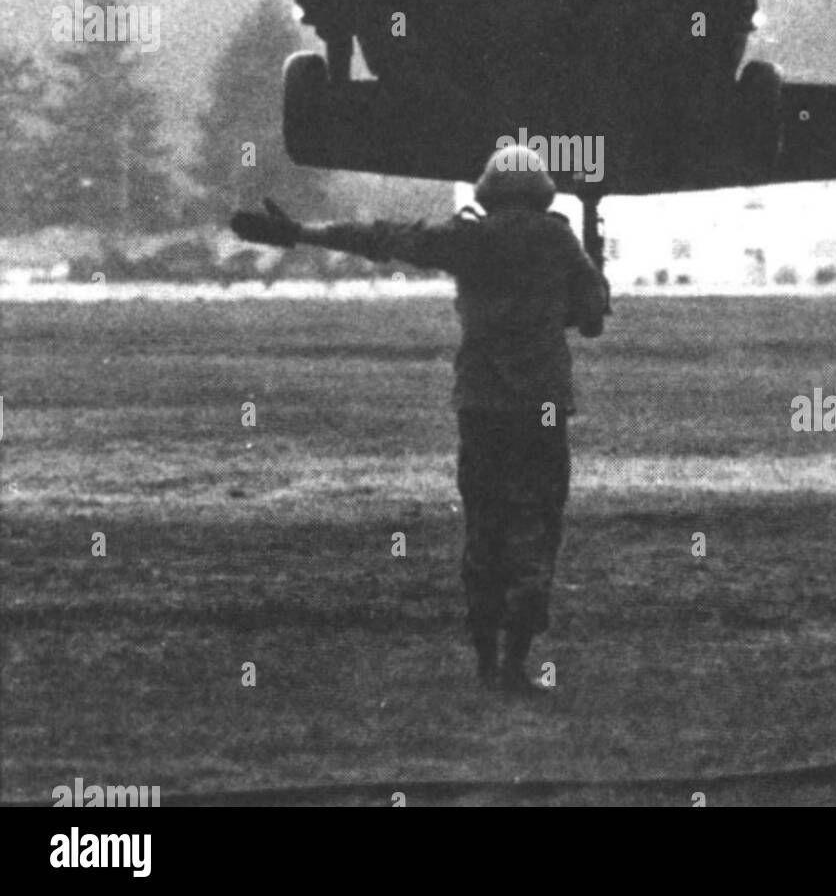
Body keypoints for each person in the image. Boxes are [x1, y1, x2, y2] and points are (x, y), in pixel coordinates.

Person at [230, 144, 609, 696]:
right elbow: (592, 319)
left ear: (488, 190)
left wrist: (301, 234)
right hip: (541, 408)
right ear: (542, 191)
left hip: (480, 405)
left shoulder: (468, 239)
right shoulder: (557, 239)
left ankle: (483, 660)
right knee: (535, 524)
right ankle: (515, 661)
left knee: (484, 526)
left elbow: (383, 237)